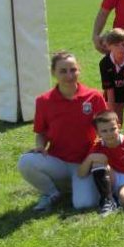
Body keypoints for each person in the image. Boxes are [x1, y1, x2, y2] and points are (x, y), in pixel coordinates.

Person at [18, 51, 108, 211]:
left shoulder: (94, 96)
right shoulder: (43, 101)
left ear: (79, 69)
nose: (69, 75)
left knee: (84, 204)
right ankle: (51, 193)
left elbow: (106, 127)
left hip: (84, 163)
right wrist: (40, 146)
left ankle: (74, 185)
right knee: (25, 162)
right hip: (57, 161)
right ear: (53, 72)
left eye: (73, 70)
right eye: (63, 71)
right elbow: (41, 132)